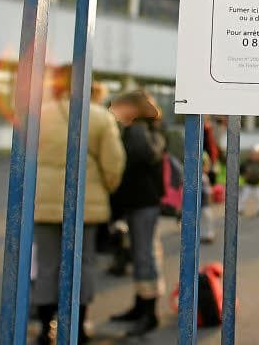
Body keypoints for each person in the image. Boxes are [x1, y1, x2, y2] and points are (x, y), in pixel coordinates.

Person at [33, 65, 126, 345]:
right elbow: (114, 163)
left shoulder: (40, 114)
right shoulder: (100, 117)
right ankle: (78, 327)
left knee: (47, 264)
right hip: (85, 202)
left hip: (44, 201)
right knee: (83, 263)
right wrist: (107, 187)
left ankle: (45, 328)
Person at [109, 91, 167, 336]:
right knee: (141, 253)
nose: (115, 112)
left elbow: (141, 156)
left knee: (144, 255)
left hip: (141, 201)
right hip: (141, 201)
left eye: (118, 107)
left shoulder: (138, 130)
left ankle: (149, 313)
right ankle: (141, 305)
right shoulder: (151, 129)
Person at [239, 144, 259, 216]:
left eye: (256, 154)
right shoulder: (246, 163)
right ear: (250, 154)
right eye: (253, 154)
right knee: (243, 198)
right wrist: (244, 176)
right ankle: (240, 209)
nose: (254, 156)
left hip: (257, 184)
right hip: (248, 184)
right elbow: (241, 171)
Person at [200, 152, 215, 243]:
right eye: (207, 165)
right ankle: (208, 235)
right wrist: (210, 201)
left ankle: (204, 234)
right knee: (208, 219)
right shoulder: (204, 177)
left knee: (203, 219)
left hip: (202, 203)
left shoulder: (200, 176)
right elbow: (208, 191)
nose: (208, 167)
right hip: (205, 203)